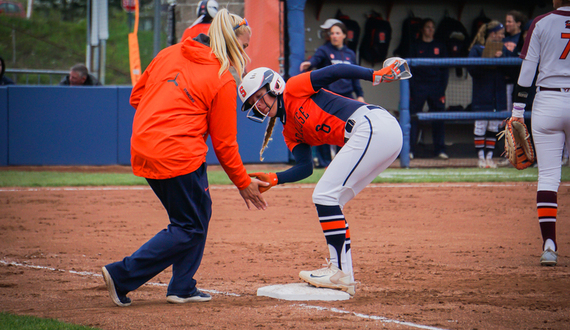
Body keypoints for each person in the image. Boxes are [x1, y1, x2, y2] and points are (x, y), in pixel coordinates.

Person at [101, 9, 268, 307]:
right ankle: (122, 275)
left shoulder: (169, 53)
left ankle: (182, 286)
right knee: (189, 226)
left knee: (198, 213)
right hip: (179, 153)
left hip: (144, 146)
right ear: (229, 42)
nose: (245, 53)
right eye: (243, 46)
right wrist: (243, 183)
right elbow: (225, 144)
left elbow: (136, 97)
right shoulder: (222, 79)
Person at [238, 61, 407, 295]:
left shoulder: (293, 88)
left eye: (259, 97)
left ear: (274, 85)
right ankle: (342, 272)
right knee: (330, 198)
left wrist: (375, 75)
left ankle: (339, 271)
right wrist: (274, 178)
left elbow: (336, 71)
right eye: (253, 104)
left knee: (324, 195)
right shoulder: (289, 132)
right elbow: (305, 167)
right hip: (376, 134)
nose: (259, 106)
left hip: (374, 125)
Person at [509, 0, 570, 266]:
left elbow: (527, 71)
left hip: (548, 102)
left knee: (548, 176)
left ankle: (549, 245)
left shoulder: (542, 22)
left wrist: (517, 111)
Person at [300, 20, 365, 168]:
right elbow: (315, 61)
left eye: (337, 33)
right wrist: (309, 64)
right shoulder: (324, 50)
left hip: (347, 97)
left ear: (344, 35)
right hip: (329, 97)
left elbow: (354, 77)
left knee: (347, 130)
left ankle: (343, 163)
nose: (334, 36)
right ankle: (324, 163)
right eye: (332, 33)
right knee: (324, 130)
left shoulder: (350, 53)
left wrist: (360, 94)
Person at [468, 21, 507, 168]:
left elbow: (509, 72)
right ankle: (480, 158)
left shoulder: (503, 49)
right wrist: (488, 59)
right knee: (480, 126)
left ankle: (489, 158)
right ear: (493, 34)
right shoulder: (477, 49)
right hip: (482, 94)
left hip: (498, 94)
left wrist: (501, 58)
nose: (502, 36)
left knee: (493, 127)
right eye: (501, 34)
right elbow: (471, 70)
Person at [408, 18, 449, 160]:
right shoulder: (415, 46)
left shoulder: (440, 46)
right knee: (413, 118)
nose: (430, 30)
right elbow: (409, 69)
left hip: (436, 87)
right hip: (418, 87)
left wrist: (442, 87)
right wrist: (412, 87)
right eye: (427, 27)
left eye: (432, 27)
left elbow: (445, 69)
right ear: (422, 29)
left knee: (438, 118)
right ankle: (409, 150)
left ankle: (440, 150)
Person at [503, 10, 528, 112]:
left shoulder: (521, 39)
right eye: (506, 21)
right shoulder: (503, 39)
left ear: (518, 23)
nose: (506, 24)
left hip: (519, 80)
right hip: (505, 80)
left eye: (510, 21)